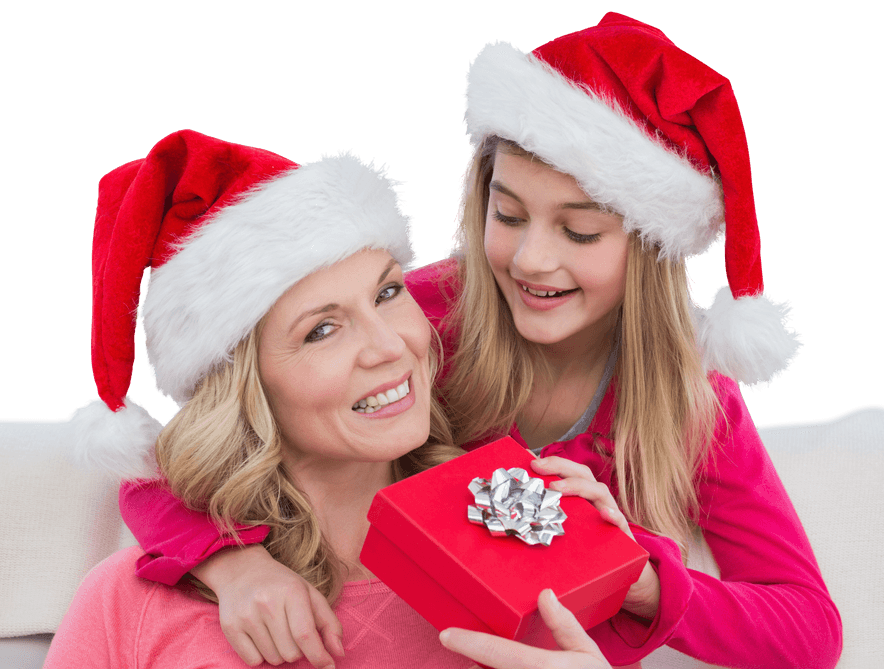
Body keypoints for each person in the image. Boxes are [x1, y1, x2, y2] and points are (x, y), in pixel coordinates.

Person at [117, 13, 843, 669]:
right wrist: (235, 566)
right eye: (509, 214)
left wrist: (637, 575)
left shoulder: (692, 404)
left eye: (579, 231)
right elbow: (184, 454)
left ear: (649, 249)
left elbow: (809, 627)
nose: (531, 260)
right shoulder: (418, 318)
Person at [44, 130, 623, 668]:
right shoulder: (129, 603)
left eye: (389, 292)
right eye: (322, 330)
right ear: (245, 391)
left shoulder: (523, 566)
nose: (389, 345)